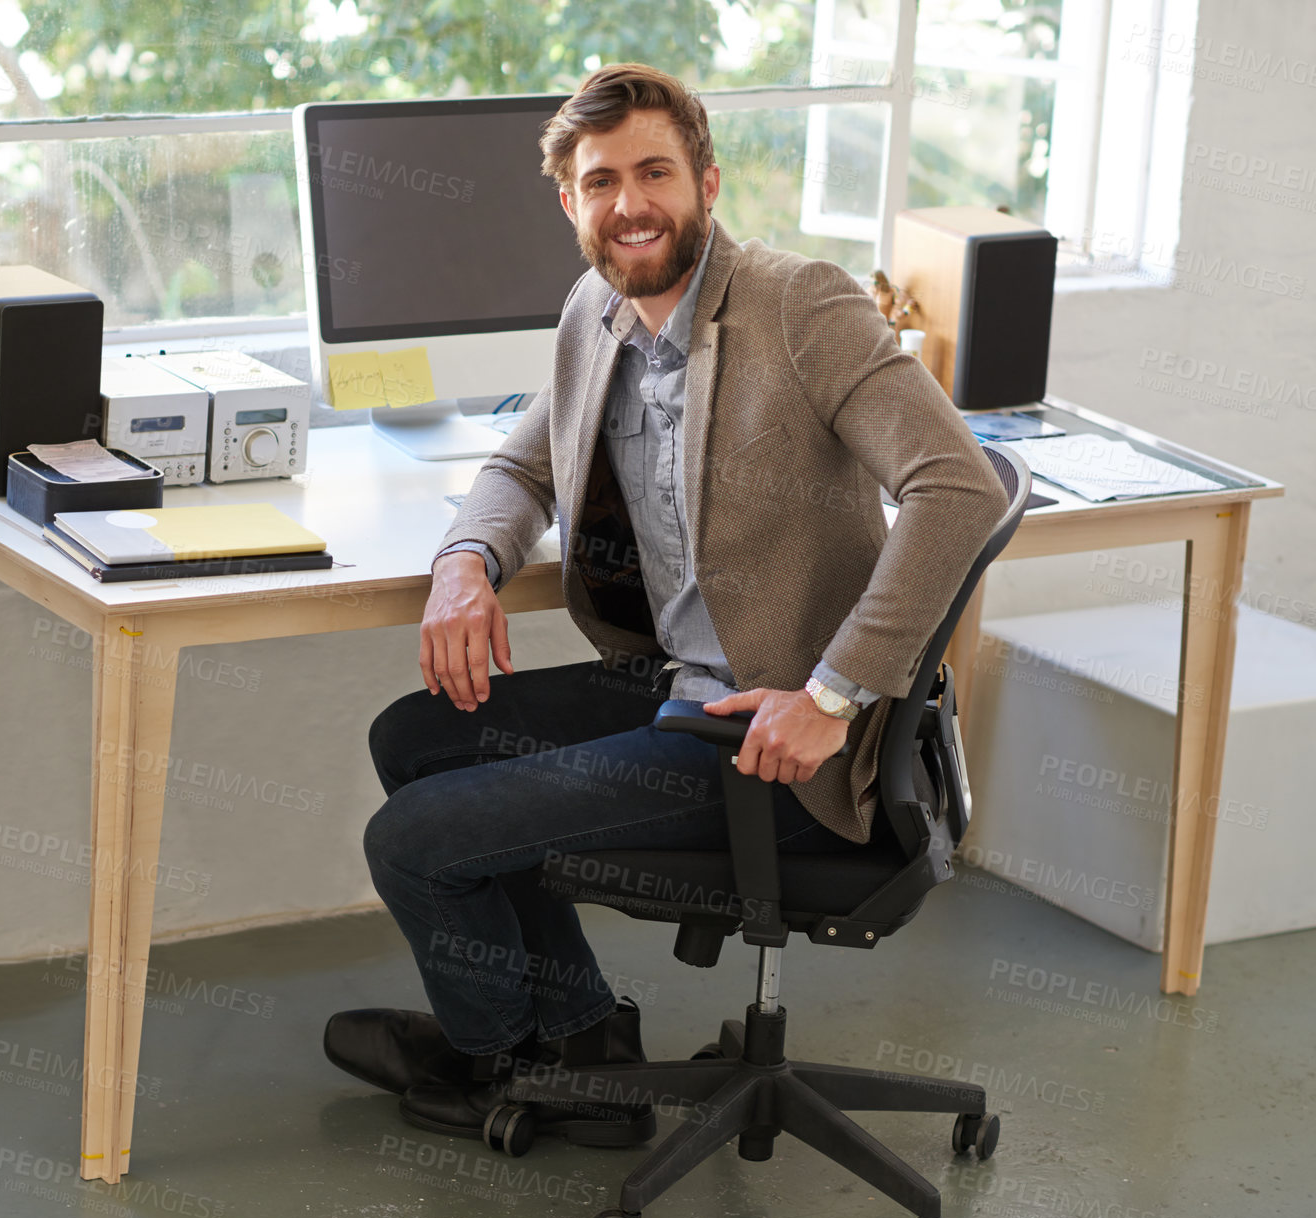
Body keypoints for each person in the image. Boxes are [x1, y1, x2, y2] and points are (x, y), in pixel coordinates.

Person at [323, 63, 1008, 1145]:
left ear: (707, 183)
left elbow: (960, 487)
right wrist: (466, 562)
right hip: (676, 685)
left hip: (772, 736)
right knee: (415, 736)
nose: (630, 203)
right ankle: (585, 1044)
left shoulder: (799, 304)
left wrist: (831, 695)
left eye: (655, 172)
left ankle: (498, 1056)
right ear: (570, 203)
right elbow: (523, 468)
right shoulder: (597, 309)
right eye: (602, 181)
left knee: (412, 840)